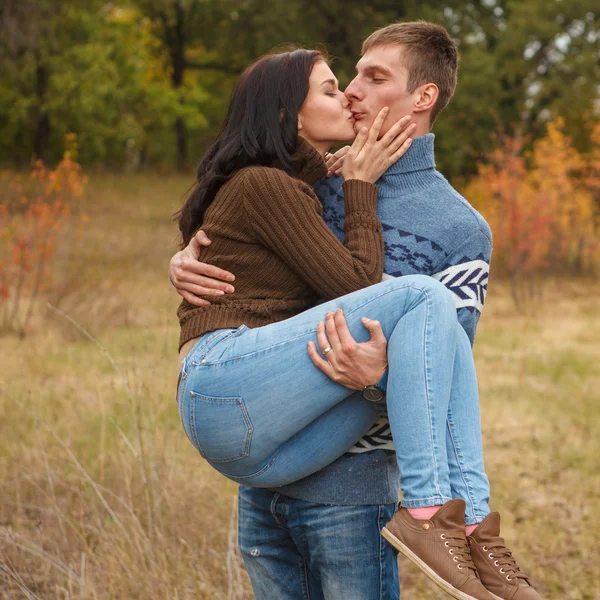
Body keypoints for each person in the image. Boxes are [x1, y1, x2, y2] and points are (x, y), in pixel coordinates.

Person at [171, 24, 541, 600]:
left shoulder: (460, 228)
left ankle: (466, 525)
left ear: (423, 98)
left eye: (373, 77)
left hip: (351, 484)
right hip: (269, 465)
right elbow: (240, 228)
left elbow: (445, 362)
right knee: (423, 295)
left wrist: (380, 373)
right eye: (342, 81)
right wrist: (183, 256)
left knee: (432, 305)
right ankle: (440, 519)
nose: (350, 92)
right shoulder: (313, 180)